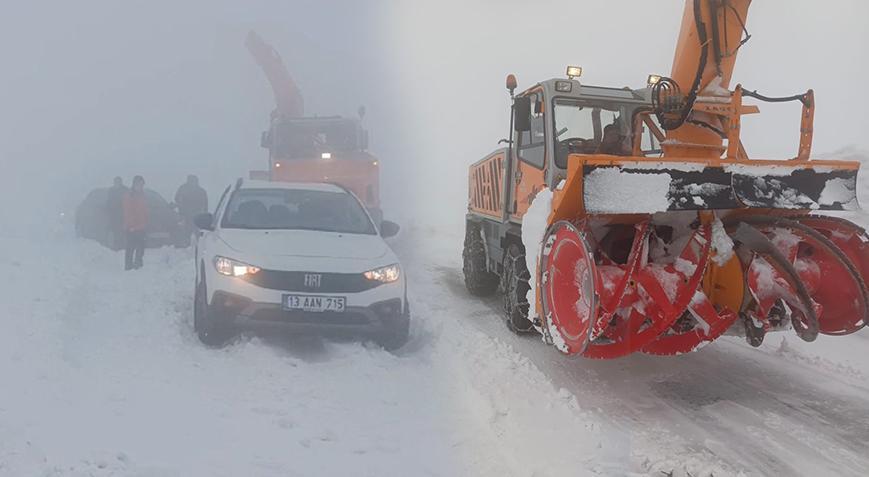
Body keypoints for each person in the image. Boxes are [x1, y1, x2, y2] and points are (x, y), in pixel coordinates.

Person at [174, 175, 208, 246]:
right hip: (188, 214)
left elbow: (205, 204)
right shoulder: (184, 189)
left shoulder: (200, 191)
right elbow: (177, 198)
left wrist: (205, 214)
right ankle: (189, 243)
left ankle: (196, 244)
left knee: (194, 231)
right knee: (188, 230)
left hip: (195, 215)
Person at [123, 176, 148, 270]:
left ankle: (138, 264)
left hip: (142, 226)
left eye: (142, 184)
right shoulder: (129, 195)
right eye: (139, 184)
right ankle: (128, 266)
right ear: (134, 184)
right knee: (130, 248)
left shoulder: (143, 195)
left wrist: (146, 221)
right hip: (131, 227)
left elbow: (145, 210)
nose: (140, 186)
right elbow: (127, 212)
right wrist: (131, 225)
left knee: (141, 247)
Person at [105, 176, 128, 250]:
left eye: (118, 182)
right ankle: (116, 245)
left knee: (123, 230)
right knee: (115, 230)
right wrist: (108, 210)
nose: (117, 183)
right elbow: (109, 202)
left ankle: (122, 245)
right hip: (114, 215)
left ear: (121, 182)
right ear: (114, 183)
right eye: (116, 182)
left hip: (123, 214)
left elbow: (128, 202)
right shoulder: (111, 190)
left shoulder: (125, 190)